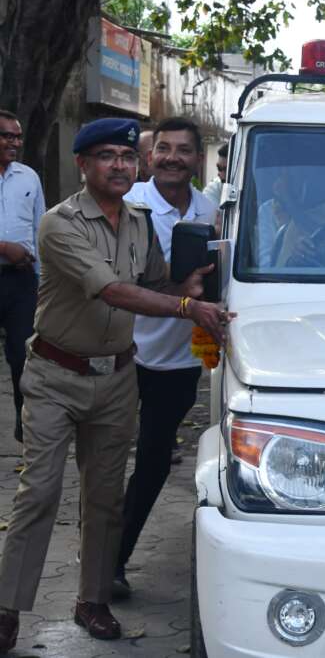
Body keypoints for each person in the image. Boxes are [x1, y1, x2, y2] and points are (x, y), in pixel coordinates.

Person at [0, 118, 231, 652]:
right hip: (56, 375)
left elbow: (154, 281)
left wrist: (192, 285)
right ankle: (7, 608)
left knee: (105, 498)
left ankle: (93, 600)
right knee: (40, 492)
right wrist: (187, 307)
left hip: (117, 377)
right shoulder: (60, 224)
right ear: (82, 164)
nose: (120, 166)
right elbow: (111, 290)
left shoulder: (138, 222)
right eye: (106, 156)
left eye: (127, 157)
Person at [116, 117, 219, 598]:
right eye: (164, 148)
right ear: (149, 156)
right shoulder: (128, 204)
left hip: (178, 361)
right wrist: (181, 292)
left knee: (154, 462)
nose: (172, 157)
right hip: (119, 354)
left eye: (183, 149)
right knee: (106, 463)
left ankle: (114, 560)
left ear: (198, 159)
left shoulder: (211, 210)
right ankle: (98, 561)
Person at [0, 109, 44, 443]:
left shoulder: (28, 177)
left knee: (24, 356)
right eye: (6, 136)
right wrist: (4, 247)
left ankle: (26, 428)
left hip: (21, 280)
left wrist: (43, 280)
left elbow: (40, 229)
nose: (14, 142)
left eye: (17, 136)